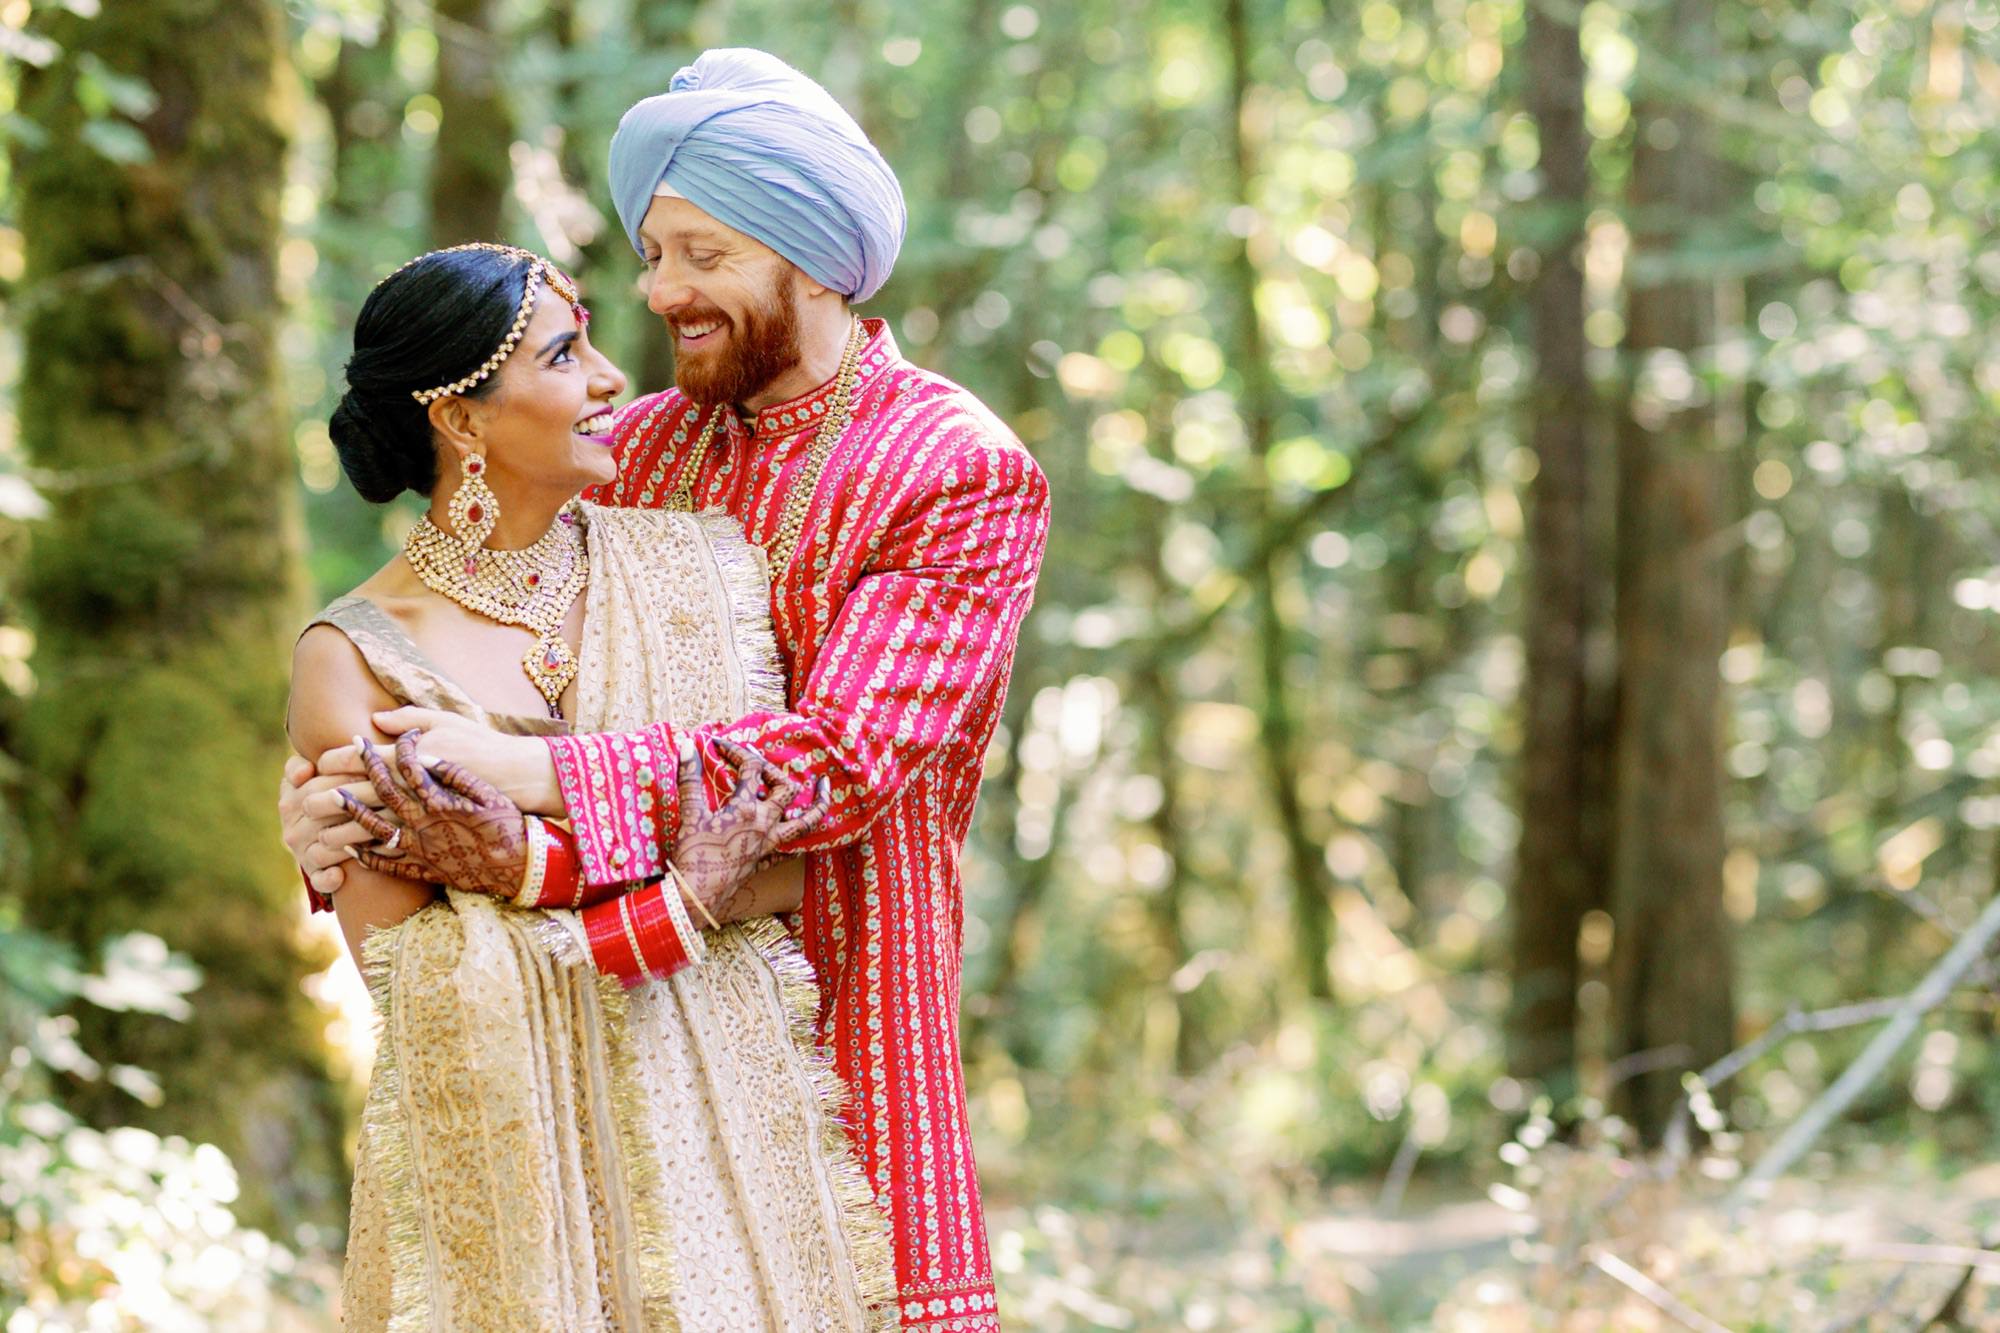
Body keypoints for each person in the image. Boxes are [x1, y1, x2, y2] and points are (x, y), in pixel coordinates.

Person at [284, 49, 1051, 1331]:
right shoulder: (637, 446)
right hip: (607, 1034)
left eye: (701, 255)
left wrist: (526, 783)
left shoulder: (954, 468)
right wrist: (332, 813)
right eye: (651, 254)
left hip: (852, 1011)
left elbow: (836, 765)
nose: (661, 294)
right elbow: (449, 621)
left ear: (805, 253)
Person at [288, 241, 893, 1329]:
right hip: (512, 1204)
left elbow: (790, 868)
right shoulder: (354, 659)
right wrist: (679, 900)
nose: (616, 378)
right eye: (566, 355)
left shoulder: (696, 572)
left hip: (730, 1174)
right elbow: (426, 987)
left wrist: (520, 866)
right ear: (461, 420)